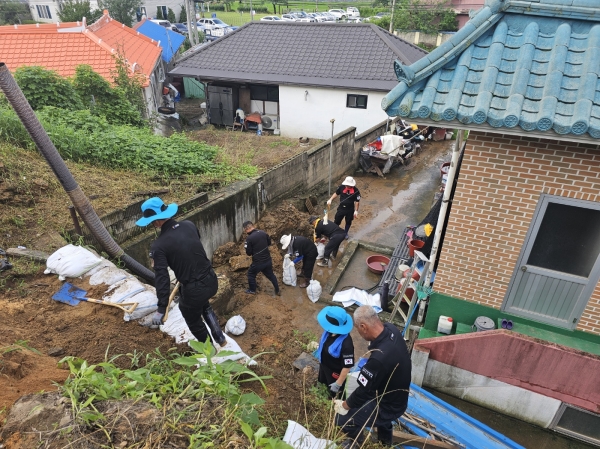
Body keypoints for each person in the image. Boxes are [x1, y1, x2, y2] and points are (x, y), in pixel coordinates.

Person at [136, 197, 226, 348]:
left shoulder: (159, 246)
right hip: (211, 279)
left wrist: (161, 308)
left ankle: (210, 351)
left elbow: (162, 278)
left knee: (190, 315)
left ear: (156, 221)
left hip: (195, 289)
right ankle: (220, 337)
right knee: (203, 304)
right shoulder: (189, 225)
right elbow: (191, 248)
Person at [334, 305, 411, 448]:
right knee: (381, 418)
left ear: (363, 327)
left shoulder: (378, 359)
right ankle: (385, 442)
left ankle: (357, 443)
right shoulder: (392, 329)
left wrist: (344, 405)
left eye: (358, 329)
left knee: (342, 419)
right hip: (399, 398)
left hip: (388, 407)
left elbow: (363, 392)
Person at [315, 306, 354, 398]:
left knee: (333, 394)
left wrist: (338, 383)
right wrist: (318, 348)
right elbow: (326, 344)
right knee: (322, 383)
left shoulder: (346, 344)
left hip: (335, 374)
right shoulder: (328, 332)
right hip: (324, 366)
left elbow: (347, 366)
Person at [243, 221, 280, 296]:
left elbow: (248, 253)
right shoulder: (263, 233)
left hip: (258, 262)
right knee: (271, 275)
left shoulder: (249, 238)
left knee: (251, 274)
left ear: (246, 229)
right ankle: (277, 290)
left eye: (244, 230)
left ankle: (252, 290)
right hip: (268, 260)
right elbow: (269, 243)